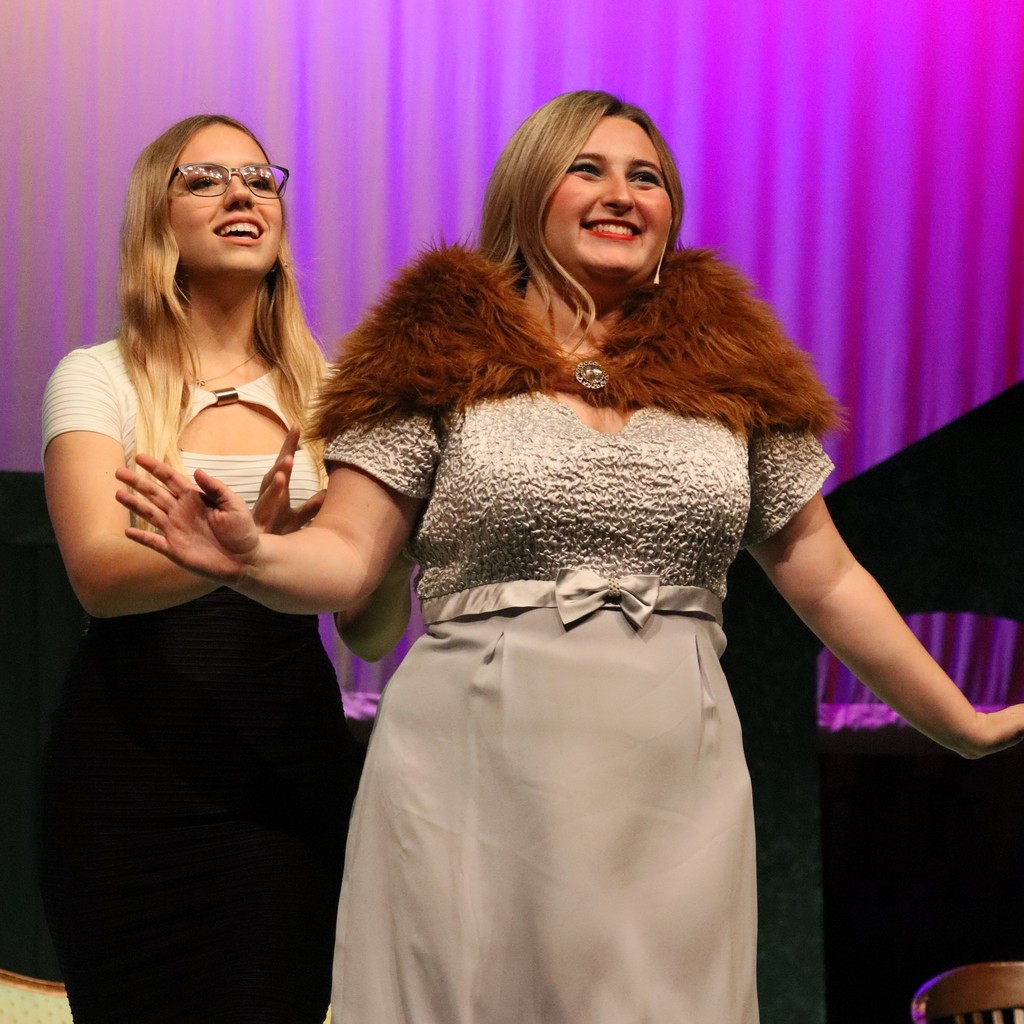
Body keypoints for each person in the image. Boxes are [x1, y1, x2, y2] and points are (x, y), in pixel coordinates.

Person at [114, 92, 1024, 1024]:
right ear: (528, 194)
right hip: (474, 757)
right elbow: (348, 557)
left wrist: (965, 725)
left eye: (647, 178)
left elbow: (829, 578)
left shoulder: (734, 367)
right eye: (587, 169)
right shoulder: (433, 347)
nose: (621, 193)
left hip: (671, 764)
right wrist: (252, 556)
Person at [38, 114, 365, 1024]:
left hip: (284, 768)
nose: (241, 194)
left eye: (261, 179)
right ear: (159, 216)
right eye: (206, 179)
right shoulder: (97, 377)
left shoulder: (335, 395)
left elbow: (366, 619)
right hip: (125, 774)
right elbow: (100, 577)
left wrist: (387, 545)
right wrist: (251, 552)